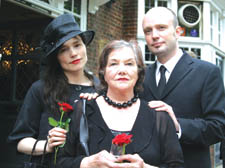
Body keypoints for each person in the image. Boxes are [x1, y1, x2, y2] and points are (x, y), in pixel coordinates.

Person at [57, 40, 184, 168]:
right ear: (103, 72)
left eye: (129, 64)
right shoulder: (82, 110)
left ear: (139, 72)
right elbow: (59, 161)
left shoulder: (159, 117)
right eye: (113, 64)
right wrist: (87, 163)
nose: (122, 70)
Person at [8, 13, 98, 167]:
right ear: (56, 57)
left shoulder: (103, 88)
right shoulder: (40, 89)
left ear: (84, 46)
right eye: (64, 49)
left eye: (77, 45)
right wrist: (48, 145)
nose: (73, 53)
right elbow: (20, 141)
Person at [141, 7, 225, 168]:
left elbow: (219, 127)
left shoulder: (207, 72)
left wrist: (178, 125)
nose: (154, 35)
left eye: (161, 28)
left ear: (178, 31)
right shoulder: (141, 76)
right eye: (148, 31)